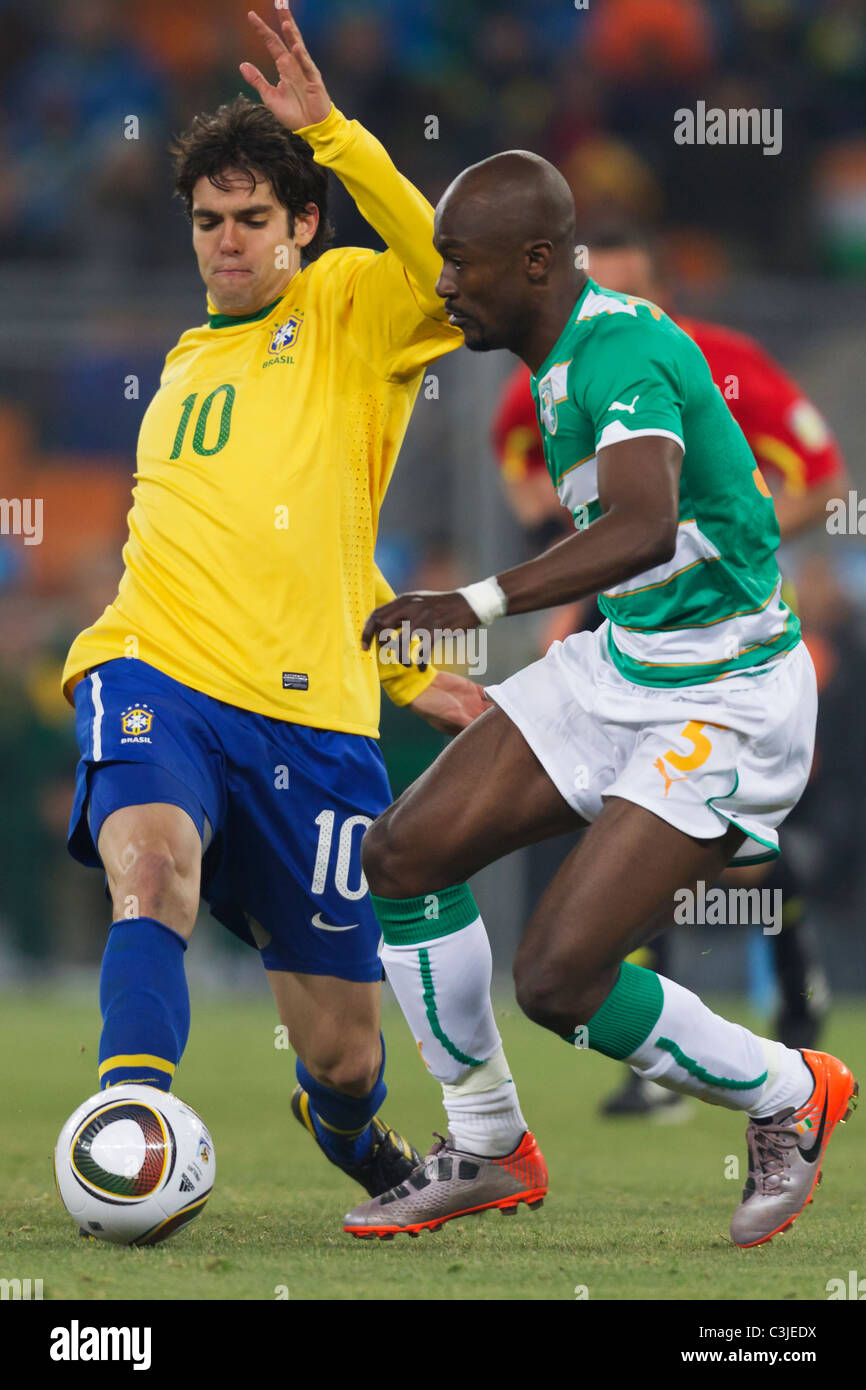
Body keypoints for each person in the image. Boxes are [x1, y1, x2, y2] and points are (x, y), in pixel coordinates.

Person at [344, 151, 857, 1246]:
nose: (441, 286)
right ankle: (485, 1143)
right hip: (625, 663)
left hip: (724, 696)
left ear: (535, 261)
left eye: (459, 263)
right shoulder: (550, 360)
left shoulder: (617, 347)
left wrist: (470, 603)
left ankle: (786, 1091)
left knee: (560, 977)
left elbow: (641, 524)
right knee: (402, 851)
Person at [61, 9, 488, 1208]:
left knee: (345, 1052)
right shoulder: (184, 368)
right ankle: (129, 1124)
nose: (228, 242)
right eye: (209, 221)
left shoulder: (352, 309)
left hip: (313, 722)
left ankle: (346, 1127)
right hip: (155, 670)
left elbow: (450, 267)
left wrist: (338, 139)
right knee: (149, 872)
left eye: (253, 218)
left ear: (301, 224)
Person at [491, 225, 845, 1117]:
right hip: (625, 616)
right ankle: (660, 1071)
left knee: (737, 861)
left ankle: (797, 998)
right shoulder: (547, 370)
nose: (606, 313)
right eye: (592, 293)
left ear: (658, 296)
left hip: (743, 627)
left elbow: (825, 478)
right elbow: (529, 490)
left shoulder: (717, 362)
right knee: (624, 829)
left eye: (628, 292)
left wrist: (732, 535)